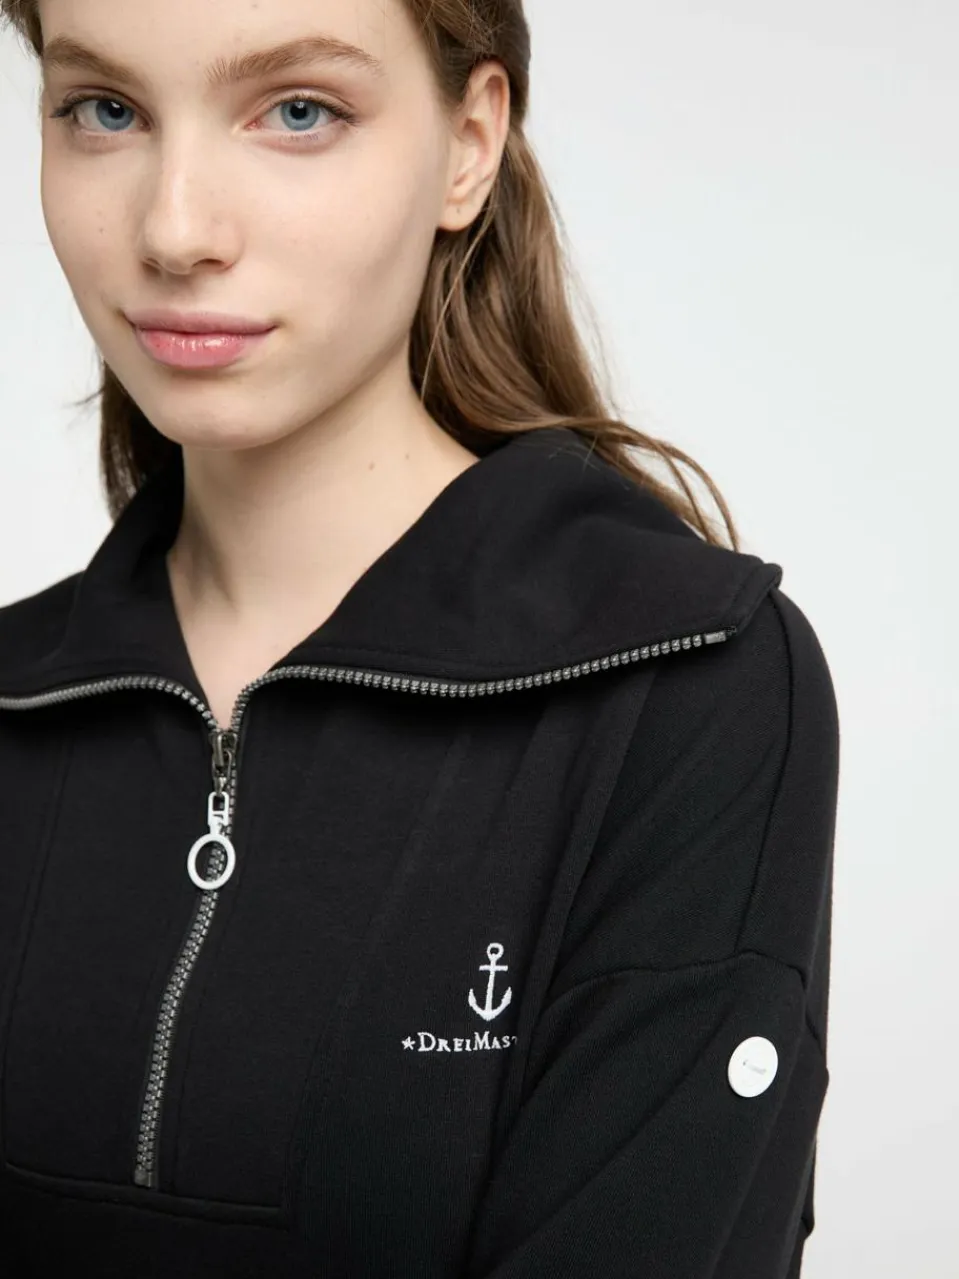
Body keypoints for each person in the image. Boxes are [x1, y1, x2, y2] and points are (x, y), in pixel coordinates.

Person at [0, 1, 839, 1276]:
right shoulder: (15, 699)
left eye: (297, 112)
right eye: (104, 111)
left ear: (468, 143)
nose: (174, 230)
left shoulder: (683, 688)